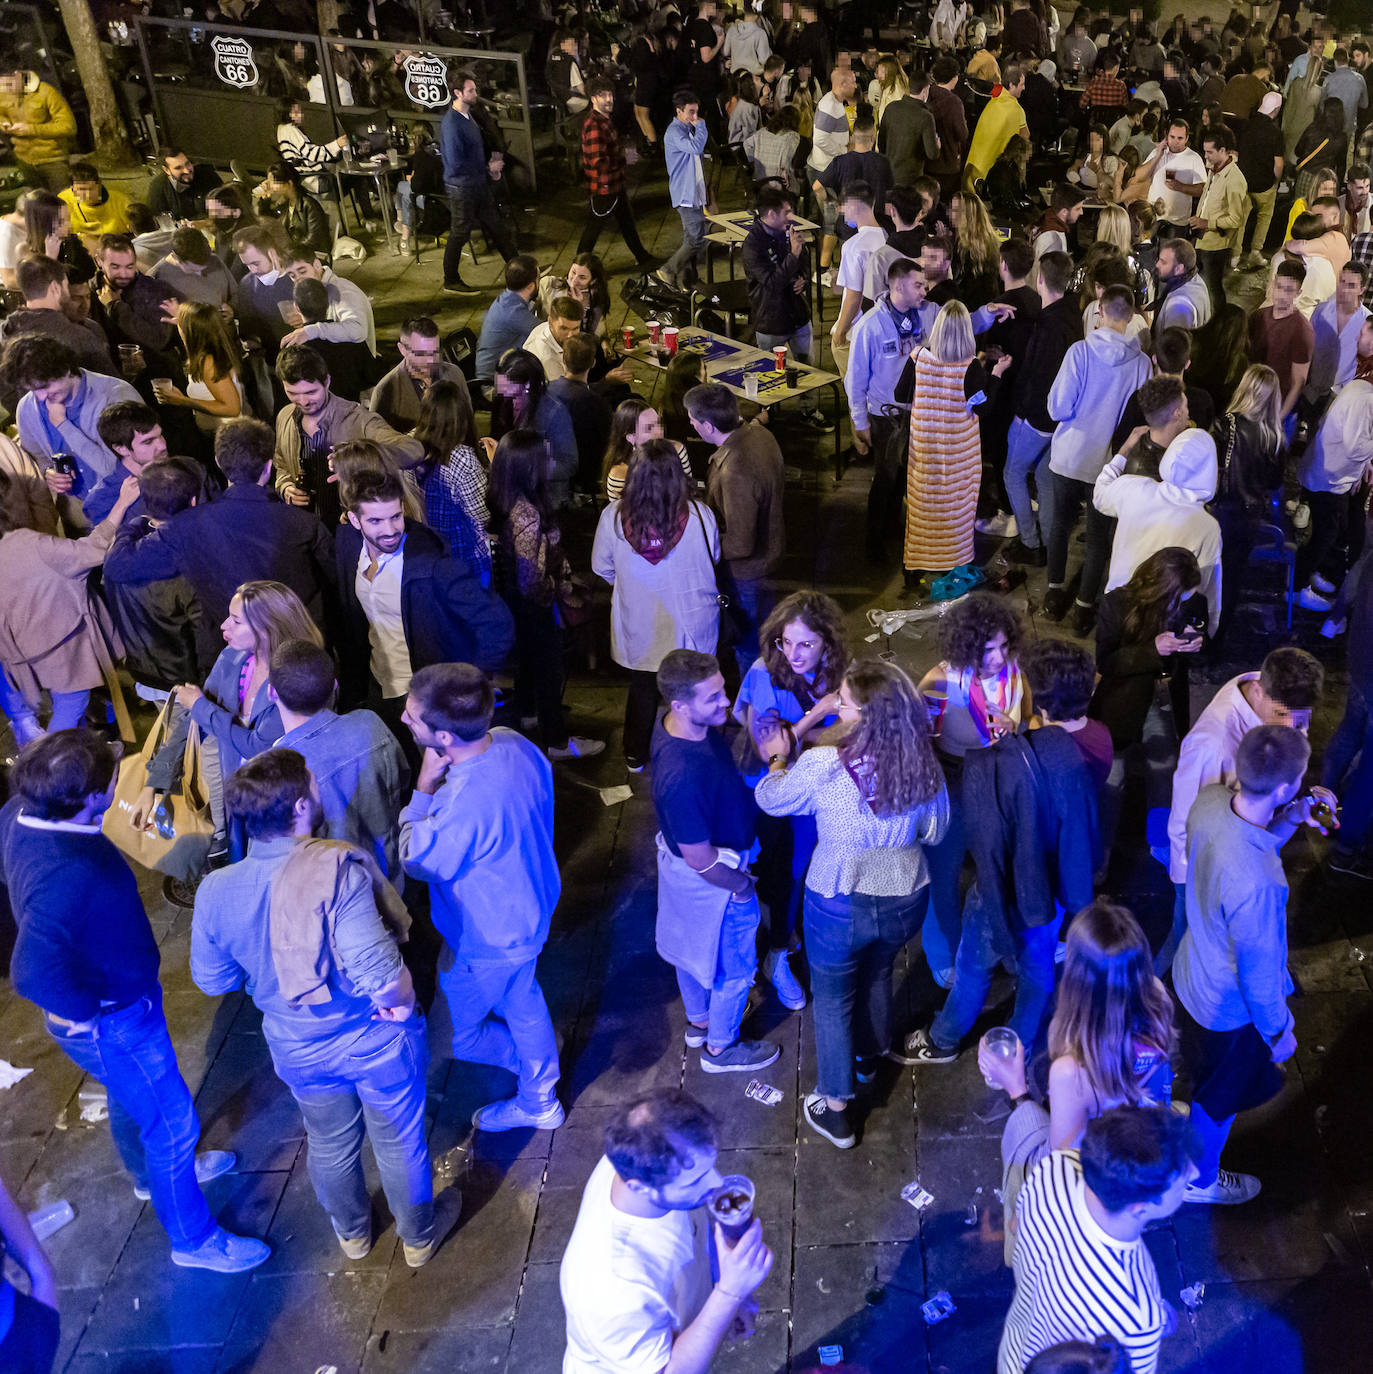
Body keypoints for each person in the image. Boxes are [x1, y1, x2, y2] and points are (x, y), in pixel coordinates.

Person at [0, 731, 269, 1272]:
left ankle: (151, 1177)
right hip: (116, 1015)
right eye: (111, 778)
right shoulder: (67, 873)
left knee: (131, 1096)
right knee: (174, 1127)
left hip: (118, 1000)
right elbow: (31, 971)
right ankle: (194, 1240)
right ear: (88, 799)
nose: (120, 780)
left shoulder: (18, 811)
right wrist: (87, 1015)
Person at [755, 658, 947, 1146]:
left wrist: (777, 760)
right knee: (879, 972)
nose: (835, 707)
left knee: (834, 998)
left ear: (866, 715)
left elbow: (772, 800)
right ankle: (869, 1058)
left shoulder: (824, 764)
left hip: (838, 900)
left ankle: (837, 1109)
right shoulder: (923, 763)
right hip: (905, 894)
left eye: (843, 702)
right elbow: (935, 830)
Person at [905, 638, 1105, 1066]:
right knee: (1038, 973)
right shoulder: (1074, 751)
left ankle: (942, 1040)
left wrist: (1000, 746)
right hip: (1049, 893)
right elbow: (1081, 833)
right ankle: (1019, 1045)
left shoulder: (1011, 759)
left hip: (1002, 888)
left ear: (1039, 701)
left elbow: (988, 836)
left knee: (972, 969)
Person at [399, 662, 564, 1132]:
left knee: (456, 1034)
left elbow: (416, 859)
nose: (404, 720)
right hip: (528, 911)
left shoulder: (460, 804)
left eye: (412, 716)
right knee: (522, 998)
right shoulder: (514, 742)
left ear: (444, 738)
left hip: (489, 936)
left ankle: (535, 1086)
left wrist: (423, 789)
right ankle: (539, 1085)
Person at [1175, 724, 1335, 1206]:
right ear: (1285, 786)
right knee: (1219, 1102)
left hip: (1190, 973)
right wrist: (1278, 1031)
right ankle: (1200, 1180)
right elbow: (1260, 977)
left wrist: (1291, 817)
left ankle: (1189, 1125)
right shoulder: (1261, 886)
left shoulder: (1209, 802)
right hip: (1227, 1010)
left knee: (1201, 1077)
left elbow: (1245, 844)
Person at [559, 1089, 774, 1373]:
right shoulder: (611, 1288)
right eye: (695, 1180)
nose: (716, 1183)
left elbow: (696, 1233)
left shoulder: (644, 1159)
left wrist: (730, 1299)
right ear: (639, 1188)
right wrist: (730, 1293)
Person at [650, 649, 780, 1074]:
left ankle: (701, 1020)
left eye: (723, 689)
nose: (726, 702)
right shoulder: (681, 777)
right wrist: (741, 886)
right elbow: (700, 860)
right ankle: (721, 1048)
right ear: (680, 706)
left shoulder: (678, 727)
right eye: (714, 698)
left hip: (683, 879)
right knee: (736, 969)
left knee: (690, 950)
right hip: (717, 878)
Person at [997, 1106, 1196, 1374]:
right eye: (1182, 1180)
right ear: (1138, 1206)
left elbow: (1015, 1225)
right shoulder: (1138, 1322)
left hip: (1017, 1351)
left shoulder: (1055, 1167)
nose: (1195, 1173)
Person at [1164, 647, 1324, 971]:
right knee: (1186, 943)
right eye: (1281, 714)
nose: (1292, 727)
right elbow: (1183, 821)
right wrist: (1186, 885)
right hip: (1202, 872)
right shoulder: (1212, 745)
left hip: (1236, 850)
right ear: (1258, 691)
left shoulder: (1259, 687)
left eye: (1301, 720)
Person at [104, 417, 336, 640]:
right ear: (268, 466)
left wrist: (136, 524)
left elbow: (117, 566)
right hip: (301, 642)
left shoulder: (188, 525)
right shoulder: (305, 523)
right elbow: (334, 584)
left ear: (218, 461)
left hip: (235, 650)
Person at [733, 591, 847, 1010]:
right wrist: (816, 718)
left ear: (827, 643)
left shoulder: (841, 673)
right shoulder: (765, 672)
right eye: (786, 641)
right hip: (766, 790)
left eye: (806, 644)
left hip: (813, 789)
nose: (793, 654)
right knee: (777, 870)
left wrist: (796, 733)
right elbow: (768, 747)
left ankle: (784, 937)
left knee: (801, 868)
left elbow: (851, 734)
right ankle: (775, 953)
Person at [919, 593, 1030, 986]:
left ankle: (1004, 943)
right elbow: (920, 741)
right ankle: (943, 952)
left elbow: (1027, 718)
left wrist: (1014, 729)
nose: (999, 658)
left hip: (998, 775)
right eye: (987, 650)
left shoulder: (1014, 672)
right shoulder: (939, 682)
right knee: (943, 872)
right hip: (952, 781)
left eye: (1004, 646)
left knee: (999, 869)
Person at [593, 440, 721, 772]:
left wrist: (629, 586)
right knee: (694, 687)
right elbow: (715, 556)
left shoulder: (613, 517)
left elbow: (601, 566)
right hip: (692, 620)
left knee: (643, 687)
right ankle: (696, 751)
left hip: (643, 621)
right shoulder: (700, 515)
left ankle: (635, 754)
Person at [1043, 286, 1153, 634]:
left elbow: (1058, 407)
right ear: (1132, 317)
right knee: (1098, 539)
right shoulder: (1142, 364)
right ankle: (1083, 607)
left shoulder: (1079, 352)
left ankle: (1054, 593)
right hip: (1109, 465)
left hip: (1069, 457)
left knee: (1060, 525)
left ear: (1100, 312)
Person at [488, 430, 602, 760]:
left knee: (527, 662)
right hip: (533, 605)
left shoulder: (504, 499)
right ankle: (557, 742)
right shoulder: (527, 513)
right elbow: (530, 579)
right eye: (546, 457)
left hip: (514, 602)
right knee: (550, 669)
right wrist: (559, 585)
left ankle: (527, 714)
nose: (552, 462)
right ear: (529, 467)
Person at [0, 468, 136, 741]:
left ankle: (71, 750)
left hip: (22, 648)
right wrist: (122, 503)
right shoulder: (30, 544)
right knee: (71, 705)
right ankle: (53, 761)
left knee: (62, 707)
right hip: (60, 644)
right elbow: (91, 551)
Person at [1091, 548, 1205, 861]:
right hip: (1122, 700)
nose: (1183, 603)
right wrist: (1151, 650)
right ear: (1162, 588)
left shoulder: (1191, 601)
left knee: (1165, 770)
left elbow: (1202, 629)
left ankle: (1160, 842)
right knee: (1112, 780)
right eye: (1178, 597)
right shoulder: (1117, 604)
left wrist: (1198, 642)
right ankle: (1101, 853)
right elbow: (1107, 662)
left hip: (1163, 697)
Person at [268, 639, 409, 881]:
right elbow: (403, 780)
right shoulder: (370, 724)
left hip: (336, 891)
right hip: (394, 877)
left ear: (271, 692)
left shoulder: (277, 768)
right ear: (335, 687)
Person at [903, 301, 1008, 590]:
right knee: (955, 510)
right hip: (958, 455)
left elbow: (901, 393)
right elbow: (982, 408)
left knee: (923, 508)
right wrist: (996, 374)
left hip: (924, 451)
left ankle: (916, 565)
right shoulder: (969, 368)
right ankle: (953, 561)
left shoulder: (918, 357)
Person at [686, 383, 785, 676]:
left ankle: (750, 701)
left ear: (708, 426)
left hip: (747, 574)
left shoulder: (735, 470)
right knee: (768, 638)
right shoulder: (761, 435)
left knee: (749, 648)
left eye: (693, 420)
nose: (691, 425)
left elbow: (741, 543)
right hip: (770, 558)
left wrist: (699, 547)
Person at [272, 343, 423, 529]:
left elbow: (414, 450)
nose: (303, 401)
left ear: (327, 382)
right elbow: (281, 465)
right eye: (293, 393)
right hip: (306, 530)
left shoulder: (358, 419)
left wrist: (361, 458)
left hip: (348, 530)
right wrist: (285, 487)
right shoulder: (285, 416)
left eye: (311, 392)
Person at [847, 257, 936, 561]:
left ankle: (892, 525)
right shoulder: (870, 326)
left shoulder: (923, 314)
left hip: (914, 412)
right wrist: (860, 421)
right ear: (898, 286)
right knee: (884, 478)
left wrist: (987, 314)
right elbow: (855, 378)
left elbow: (959, 322)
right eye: (918, 285)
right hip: (885, 417)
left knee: (902, 476)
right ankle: (873, 541)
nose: (924, 290)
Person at [1093, 428, 1222, 636]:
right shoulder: (1207, 526)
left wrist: (1124, 450)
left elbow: (1100, 494)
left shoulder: (1134, 488)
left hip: (1116, 605)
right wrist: (1208, 629)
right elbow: (1205, 587)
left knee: (1109, 655)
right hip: (1161, 622)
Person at [1003, 251, 1082, 566]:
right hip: (1063, 419)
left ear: (1039, 279)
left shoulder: (1048, 326)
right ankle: (1049, 543)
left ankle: (1029, 542)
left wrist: (1021, 413)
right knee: (1046, 479)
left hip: (1038, 418)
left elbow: (1038, 376)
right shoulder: (1073, 317)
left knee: (1013, 473)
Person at [7, 335, 140, 505]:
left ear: (66, 370)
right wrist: (49, 473)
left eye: (45, 386)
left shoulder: (116, 396)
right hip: (75, 509)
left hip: (127, 507)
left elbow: (120, 470)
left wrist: (63, 425)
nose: (40, 397)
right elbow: (36, 459)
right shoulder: (27, 408)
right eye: (32, 389)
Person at [1211, 364, 1286, 638]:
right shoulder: (1275, 438)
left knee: (1208, 574)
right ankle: (1218, 639)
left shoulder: (1226, 424)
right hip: (1250, 518)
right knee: (1232, 579)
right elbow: (1274, 483)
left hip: (1220, 512)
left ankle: (1197, 634)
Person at [1294, 377, 1373, 611]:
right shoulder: (1366, 400)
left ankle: (1308, 573)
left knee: (1330, 531)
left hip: (1327, 473)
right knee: (1326, 534)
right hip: (1328, 478)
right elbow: (1353, 446)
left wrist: (1365, 462)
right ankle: (1297, 589)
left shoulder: (1361, 389)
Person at [441, 71, 515, 295]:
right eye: (471, 90)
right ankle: (450, 279)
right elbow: (456, 163)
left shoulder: (468, 116)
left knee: (496, 226)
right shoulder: (452, 124)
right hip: (462, 187)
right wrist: (487, 168)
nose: (475, 93)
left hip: (477, 183)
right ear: (457, 93)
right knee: (459, 233)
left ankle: (519, 267)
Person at [413, 378, 491, 586]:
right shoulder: (463, 459)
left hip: (429, 558)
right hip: (464, 562)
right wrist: (495, 466)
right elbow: (483, 516)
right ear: (463, 416)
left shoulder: (413, 448)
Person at [576, 77, 657, 267]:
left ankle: (642, 257)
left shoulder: (604, 120)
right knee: (594, 228)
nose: (609, 99)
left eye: (610, 94)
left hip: (613, 184)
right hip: (604, 187)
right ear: (593, 99)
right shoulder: (595, 125)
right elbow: (598, 162)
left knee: (626, 222)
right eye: (602, 95)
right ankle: (577, 266)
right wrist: (623, 158)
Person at [0, 253, 114, 379]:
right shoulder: (81, 339)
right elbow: (114, 386)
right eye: (65, 285)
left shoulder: (4, 333)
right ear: (55, 287)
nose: (67, 292)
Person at [742, 183, 813, 370]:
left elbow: (805, 262)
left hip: (799, 316)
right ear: (772, 214)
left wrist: (803, 278)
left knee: (808, 373)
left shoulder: (789, 231)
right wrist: (793, 255)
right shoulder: (753, 245)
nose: (791, 217)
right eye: (786, 212)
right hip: (771, 323)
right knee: (771, 376)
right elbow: (772, 283)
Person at [152, 301, 244, 436]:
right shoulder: (208, 350)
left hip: (228, 437)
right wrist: (186, 320)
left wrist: (182, 401)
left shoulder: (208, 362)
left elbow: (232, 409)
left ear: (190, 331)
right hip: (218, 434)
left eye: (181, 323)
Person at [370, 315, 472, 434]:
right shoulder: (386, 389)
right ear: (402, 349)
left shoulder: (454, 374)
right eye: (421, 354)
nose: (430, 361)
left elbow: (468, 423)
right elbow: (376, 439)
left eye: (435, 352)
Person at [1248, 259, 1315, 424]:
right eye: (1279, 287)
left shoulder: (1302, 331)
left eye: (1289, 290)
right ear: (1273, 283)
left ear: (1298, 292)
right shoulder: (1258, 316)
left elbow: (1298, 382)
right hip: (1251, 397)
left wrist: (1278, 419)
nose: (1282, 295)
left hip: (1275, 406)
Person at [83, 399, 167, 525]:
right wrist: (121, 505)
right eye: (148, 442)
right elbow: (105, 537)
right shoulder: (102, 499)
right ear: (121, 449)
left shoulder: (184, 472)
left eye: (160, 435)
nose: (162, 446)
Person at [659, 89, 711, 291]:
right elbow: (696, 148)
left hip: (693, 193)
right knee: (697, 239)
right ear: (679, 111)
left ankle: (690, 280)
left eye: (696, 112)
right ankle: (669, 270)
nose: (695, 116)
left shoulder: (687, 128)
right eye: (691, 112)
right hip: (685, 194)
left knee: (692, 238)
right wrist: (702, 126)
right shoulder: (675, 132)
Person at [0, 58, 76, 188]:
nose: (7, 90)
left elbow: (69, 127)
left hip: (53, 161)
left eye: (9, 85)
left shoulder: (46, 92)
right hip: (24, 161)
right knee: (37, 199)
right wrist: (4, 124)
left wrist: (31, 129)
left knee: (63, 198)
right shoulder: (3, 93)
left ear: (17, 74)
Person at [1237, 91, 1285, 268]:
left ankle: (1235, 254)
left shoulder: (1245, 125)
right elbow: (1278, 164)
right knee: (1264, 217)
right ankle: (1255, 252)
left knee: (1240, 219)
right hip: (1264, 184)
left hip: (1243, 182)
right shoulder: (1275, 133)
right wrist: (1276, 181)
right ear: (1276, 110)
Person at [476, 255, 540, 382]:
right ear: (530, 286)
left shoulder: (508, 298)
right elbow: (549, 332)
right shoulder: (513, 312)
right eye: (539, 278)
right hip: (494, 384)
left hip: (500, 370)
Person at [965, 62, 1029, 185]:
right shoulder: (1016, 110)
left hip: (974, 168)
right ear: (1012, 85)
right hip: (994, 174)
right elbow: (1025, 137)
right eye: (1022, 84)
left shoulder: (993, 101)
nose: (1024, 88)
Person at [254, 162, 331, 260]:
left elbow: (313, 240)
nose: (270, 186)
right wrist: (265, 201)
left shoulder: (309, 205)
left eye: (273, 182)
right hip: (293, 253)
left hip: (311, 255)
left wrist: (289, 252)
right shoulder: (283, 204)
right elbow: (269, 223)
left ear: (289, 183)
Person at [274, 97, 347, 192]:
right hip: (315, 181)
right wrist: (337, 144)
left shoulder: (281, 129)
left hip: (303, 179)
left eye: (300, 111)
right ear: (286, 115)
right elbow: (313, 154)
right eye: (295, 113)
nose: (300, 115)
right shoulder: (291, 130)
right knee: (357, 177)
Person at [1153, 239, 1213, 336]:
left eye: (1163, 262)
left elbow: (1172, 342)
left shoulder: (1178, 306)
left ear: (1179, 269)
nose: (1157, 265)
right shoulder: (1195, 279)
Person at [58, 161, 130, 241]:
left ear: (99, 184)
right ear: (72, 188)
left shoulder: (120, 202)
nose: (88, 195)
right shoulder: (63, 201)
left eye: (91, 188)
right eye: (82, 189)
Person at [146, 147, 222, 221]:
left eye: (187, 164)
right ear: (166, 170)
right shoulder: (158, 188)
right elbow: (156, 220)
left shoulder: (208, 176)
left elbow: (225, 209)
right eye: (178, 168)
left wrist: (206, 223)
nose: (187, 171)